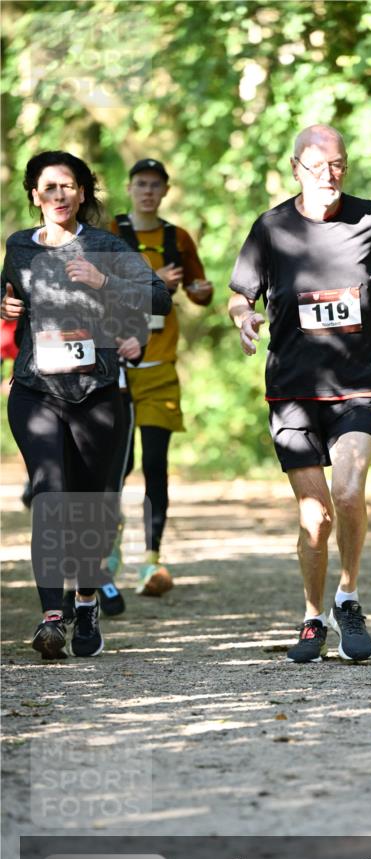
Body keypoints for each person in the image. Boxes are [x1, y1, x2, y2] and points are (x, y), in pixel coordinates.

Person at [228, 124, 371, 664]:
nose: (329, 175)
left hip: (357, 384)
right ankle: (313, 615)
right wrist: (245, 319)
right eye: (316, 166)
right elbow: (239, 295)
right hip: (291, 390)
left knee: (349, 493)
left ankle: (349, 597)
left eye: (337, 164)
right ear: (295, 168)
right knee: (314, 516)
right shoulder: (271, 227)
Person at [1, 150, 172, 659]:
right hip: (35, 388)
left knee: (91, 503)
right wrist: (4, 304)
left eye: (68, 186)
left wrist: (103, 281)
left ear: (82, 193)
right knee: (51, 494)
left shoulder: (104, 245)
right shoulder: (18, 247)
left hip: (96, 392)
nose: (58, 195)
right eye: (48, 187)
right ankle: (53, 615)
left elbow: (159, 297)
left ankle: (86, 599)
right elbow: (11, 296)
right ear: (34, 194)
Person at [108, 158, 214, 597]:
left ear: (166, 190)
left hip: (160, 369)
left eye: (155, 185)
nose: (147, 192)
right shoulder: (109, 234)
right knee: (117, 466)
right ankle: (108, 553)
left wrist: (199, 292)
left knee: (154, 465)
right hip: (112, 370)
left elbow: (199, 289)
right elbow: (93, 288)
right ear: (129, 188)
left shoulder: (178, 238)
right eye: (140, 184)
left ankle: (151, 560)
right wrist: (149, 281)